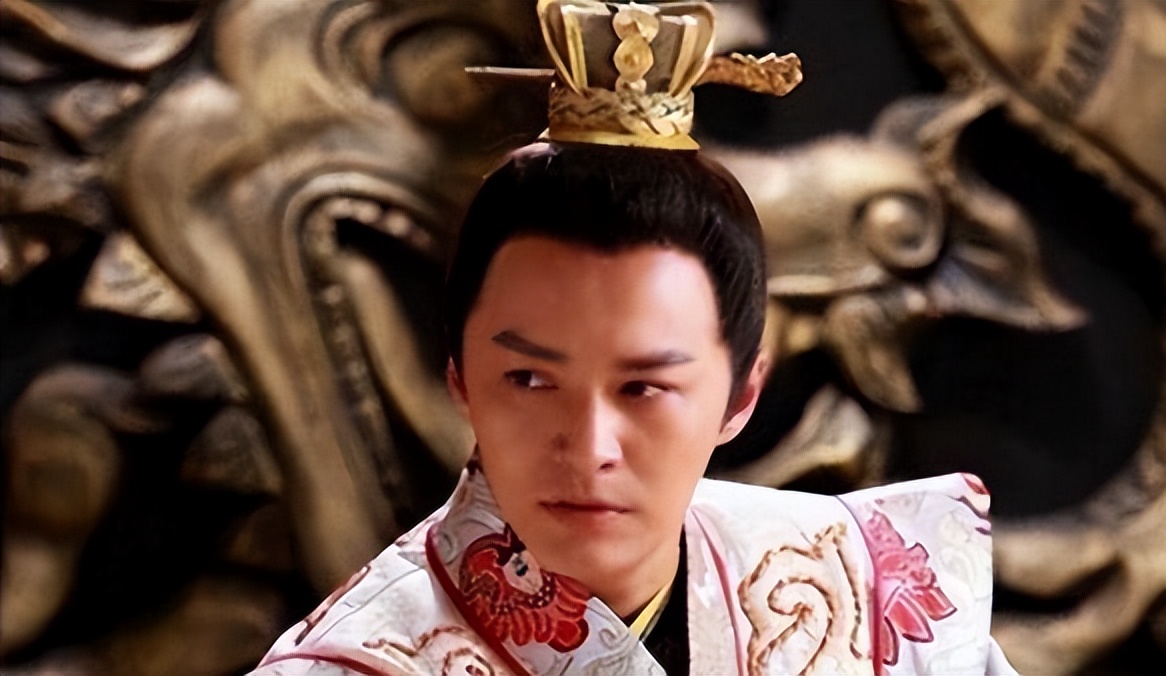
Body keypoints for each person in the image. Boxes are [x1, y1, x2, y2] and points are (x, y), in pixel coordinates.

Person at [251, 1, 1016, 674]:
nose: (590, 449)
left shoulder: (876, 607)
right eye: (529, 379)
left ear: (741, 395)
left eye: (644, 386)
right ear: (459, 375)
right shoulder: (355, 666)